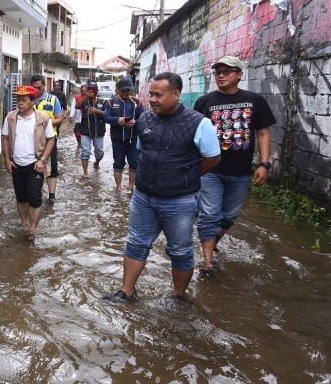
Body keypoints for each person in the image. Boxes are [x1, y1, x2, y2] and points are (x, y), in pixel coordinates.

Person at [107, 72, 221, 302]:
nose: (153, 99)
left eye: (159, 95)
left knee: (180, 251)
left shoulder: (200, 123)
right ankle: (126, 291)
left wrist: (186, 176)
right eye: (151, 94)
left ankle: (178, 296)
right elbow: (142, 152)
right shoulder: (145, 120)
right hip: (143, 197)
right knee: (136, 243)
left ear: (176, 94)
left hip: (180, 201)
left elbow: (213, 158)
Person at [193, 56, 275, 274]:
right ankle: (208, 262)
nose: (220, 75)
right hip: (210, 169)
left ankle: (211, 242)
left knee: (229, 215)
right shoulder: (204, 102)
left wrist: (264, 164)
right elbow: (195, 135)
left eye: (227, 71)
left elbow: (264, 132)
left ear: (239, 74)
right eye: (217, 71)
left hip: (240, 171)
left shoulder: (254, 100)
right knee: (210, 214)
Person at [2, 85, 56, 239]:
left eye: (24, 100)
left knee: (34, 197)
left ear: (32, 101)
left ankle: (33, 227)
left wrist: (43, 160)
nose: (20, 103)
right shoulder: (11, 117)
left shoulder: (43, 119)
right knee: (21, 197)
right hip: (16, 164)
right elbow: (5, 138)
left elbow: (51, 140)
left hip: (35, 164)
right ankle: (24, 221)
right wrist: (7, 160)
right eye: (18, 100)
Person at [103, 78, 144, 191]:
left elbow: (144, 117)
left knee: (134, 162)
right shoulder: (110, 102)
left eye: (128, 91)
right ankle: (118, 187)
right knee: (118, 163)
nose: (126, 93)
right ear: (117, 90)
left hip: (133, 138)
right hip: (117, 138)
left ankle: (131, 186)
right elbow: (106, 117)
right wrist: (118, 120)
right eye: (123, 91)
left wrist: (136, 122)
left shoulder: (137, 102)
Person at [30, 74, 64, 203]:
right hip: (32, 139)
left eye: (39, 87)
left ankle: (51, 195)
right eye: (34, 88)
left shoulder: (53, 100)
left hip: (50, 138)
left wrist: (46, 122)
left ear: (45, 86)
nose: (36, 90)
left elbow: (60, 118)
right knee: (32, 165)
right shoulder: (28, 100)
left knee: (52, 166)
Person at [78, 81, 106, 177]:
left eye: (91, 91)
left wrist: (96, 111)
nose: (89, 93)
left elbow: (108, 114)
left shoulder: (102, 101)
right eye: (88, 91)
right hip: (85, 131)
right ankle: (85, 173)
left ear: (96, 92)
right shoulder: (85, 101)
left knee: (99, 152)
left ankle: (97, 162)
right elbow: (77, 106)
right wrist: (85, 97)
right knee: (85, 151)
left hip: (99, 131)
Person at [69, 84, 88, 149]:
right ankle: (79, 144)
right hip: (78, 119)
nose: (83, 92)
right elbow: (73, 107)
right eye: (82, 91)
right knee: (76, 132)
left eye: (85, 91)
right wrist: (71, 116)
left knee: (85, 133)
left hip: (86, 119)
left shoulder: (89, 98)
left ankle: (85, 145)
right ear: (80, 90)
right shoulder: (76, 97)